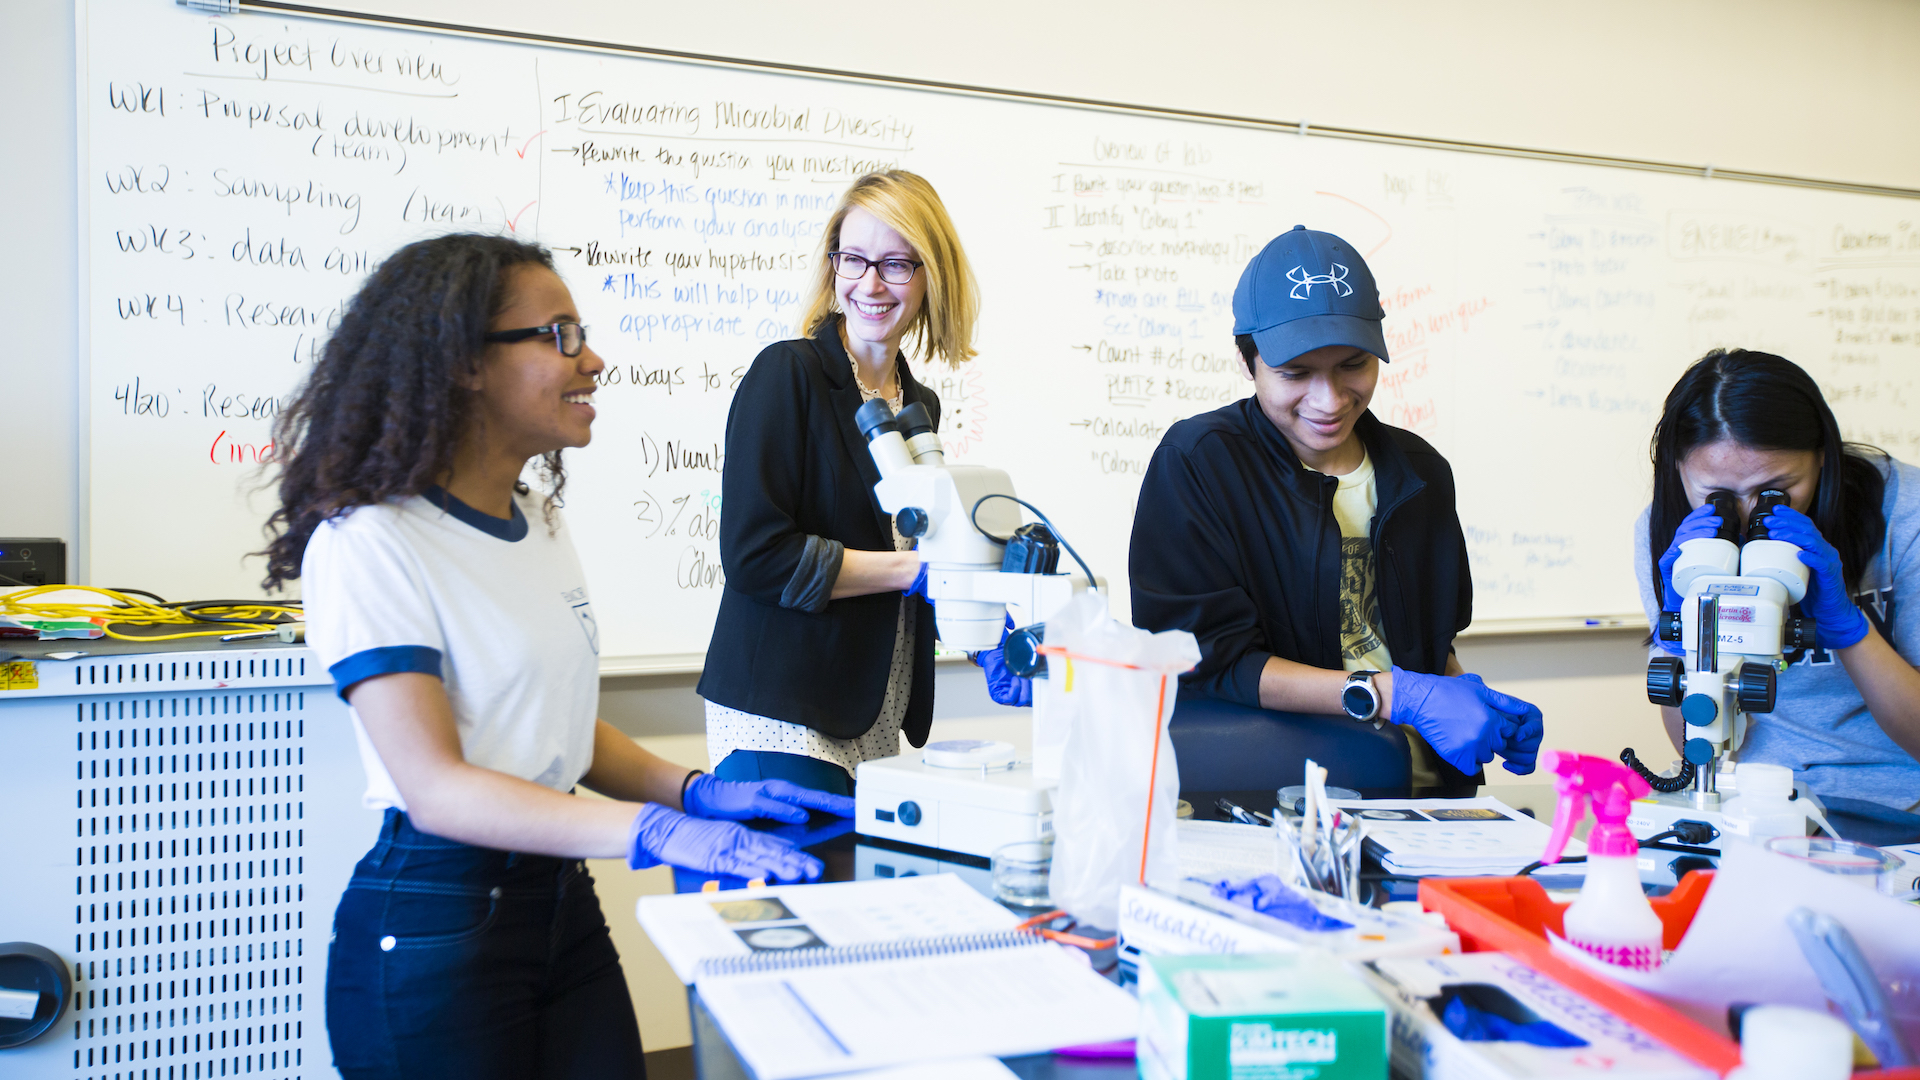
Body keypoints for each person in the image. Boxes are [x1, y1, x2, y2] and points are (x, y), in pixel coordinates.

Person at [261, 233, 850, 1079]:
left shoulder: (535, 514)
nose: (594, 358)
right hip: (438, 919)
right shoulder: (371, 542)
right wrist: (661, 833)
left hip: (560, 900)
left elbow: (554, 728)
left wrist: (696, 791)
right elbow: (437, 788)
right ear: (464, 362)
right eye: (561, 335)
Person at [1128, 225, 1543, 789]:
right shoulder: (1200, 464)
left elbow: (1429, 641)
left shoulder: (1420, 471)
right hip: (1282, 796)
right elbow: (1212, 664)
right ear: (1247, 361)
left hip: (1425, 791)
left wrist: (1469, 700)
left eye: (1352, 365)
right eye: (1295, 373)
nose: (1329, 400)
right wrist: (1394, 696)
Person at [697, 171, 982, 794]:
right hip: (782, 706)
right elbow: (755, 556)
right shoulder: (787, 375)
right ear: (833, 267)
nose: (870, 284)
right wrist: (913, 573)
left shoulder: (920, 405)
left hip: (873, 706)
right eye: (853, 259)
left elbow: (918, 545)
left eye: (896, 264)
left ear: (932, 274)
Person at [1637, 348, 1920, 810]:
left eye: (1775, 493)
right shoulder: (1673, 536)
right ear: (1678, 468)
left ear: (1824, 458)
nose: (1748, 517)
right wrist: (1680, 632)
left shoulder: (1907, 514)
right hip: (1757, 798)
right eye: (1719, 496)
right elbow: (1694, 744)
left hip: (1898, 811)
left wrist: (1849, 630)